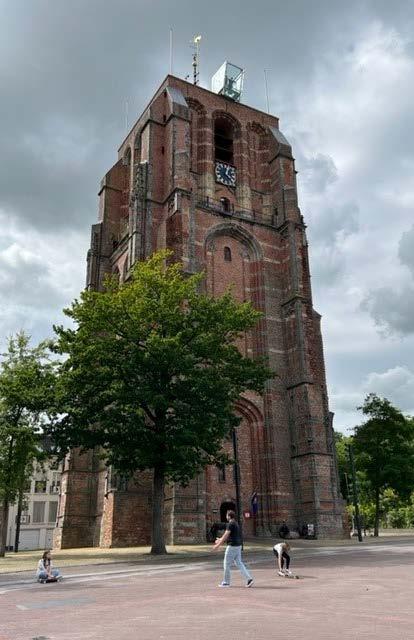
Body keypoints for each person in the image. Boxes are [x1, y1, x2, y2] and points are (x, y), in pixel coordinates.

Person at [213, 510, 254, 588]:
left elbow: (226, 535)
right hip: (238, 546)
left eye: (226, 515)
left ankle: (226, 582)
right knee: (239, 563)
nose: (226, 517)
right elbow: (229, 535)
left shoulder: (230, 524)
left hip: (232, 546)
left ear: (229, 516)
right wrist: (220, 539)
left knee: (226, 564)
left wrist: (218, 545)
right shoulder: (235, 523)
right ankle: (249, 579)